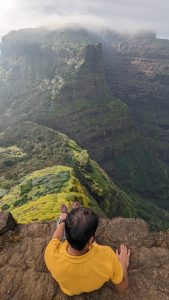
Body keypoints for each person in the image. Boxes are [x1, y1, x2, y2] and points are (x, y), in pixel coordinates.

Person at [44, 203, 130, 296]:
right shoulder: (107, 255)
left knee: (60, 224)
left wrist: (63, 218)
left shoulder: (51, 253)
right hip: (94, 282)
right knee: (87, 236)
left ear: (66, 234)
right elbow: (122, 288)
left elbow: (56, 237)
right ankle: (81, 223)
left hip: (70, 291)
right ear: (91, 240)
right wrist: (123, 265)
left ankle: (76, 222)